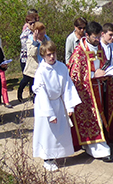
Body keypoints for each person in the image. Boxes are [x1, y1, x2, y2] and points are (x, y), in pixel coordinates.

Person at [68, 21, 113, 162]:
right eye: (95, 37)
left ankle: (99, 142)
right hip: (86, 93)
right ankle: (99, 149)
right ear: (87, 35)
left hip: (100, 88)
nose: (98, 40)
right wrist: (93, 75)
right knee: (92, 118)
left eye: (99, 36)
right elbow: (75, 75)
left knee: (101, 114)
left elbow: (104, 63)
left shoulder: (99, 47)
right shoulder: (79, 52)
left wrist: (106, 74)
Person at [32, 41, 82, 172]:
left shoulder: (62, 67)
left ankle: (57, 155)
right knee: (47, 132)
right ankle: (47, 159)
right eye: (48, 55)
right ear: (43, 56)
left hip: (58, 102)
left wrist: (70, 106)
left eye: (53, 53)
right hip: (45, 104)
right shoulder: (41, 71)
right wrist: (50, 113)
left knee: (59, 131)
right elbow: (40, 92)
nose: (52, 57)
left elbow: (67, 86)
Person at [21, 21, 50, 102]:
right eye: (41, 33)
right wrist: (35, 41)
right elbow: (31, 53)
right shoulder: (30, 40)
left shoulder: (47, 39)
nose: (43, 35)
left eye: (44, 32)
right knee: (35, 88)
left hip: (46, 67)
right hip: (35, 68)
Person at [17, 9, 39, 102]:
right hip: (25, 59)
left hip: (34, 59)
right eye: (31, 23)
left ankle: (32, 95)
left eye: (35, 22)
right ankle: (20, 92)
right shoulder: (25, 34)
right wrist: (34, 41)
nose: (33, 25)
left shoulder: (36, 32)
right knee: (26, 78)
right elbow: (26, 47)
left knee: (33, 78)